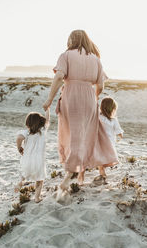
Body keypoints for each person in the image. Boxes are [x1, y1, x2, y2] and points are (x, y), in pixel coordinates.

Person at [43, 30, 118, 197]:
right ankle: (81, 173)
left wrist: (49, 99)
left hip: (71, 97)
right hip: (90, 98)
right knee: (88, 134)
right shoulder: (95, 59)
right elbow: (101, 85)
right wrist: (94, 98)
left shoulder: (66, 55)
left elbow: (59, 77)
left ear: (71, 39)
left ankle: (69, 175)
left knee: (73, 136)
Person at [15, 109, 50, 203]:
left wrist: (19, 147)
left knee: (23, 173)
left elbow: (19, 138)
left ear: (28, 123)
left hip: (27, 159)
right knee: (39, 180)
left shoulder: (26, 132)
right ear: (41, 122)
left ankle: (20, 183)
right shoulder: (43, 131)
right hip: (39, 161)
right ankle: (37, 198)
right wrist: (47, 109)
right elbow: (48, 120)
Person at [100, 97, 124, 163]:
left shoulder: (98, 116)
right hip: (109, 141)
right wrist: (121, 135)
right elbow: (118, 129)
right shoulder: (113, 119)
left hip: (99, 141)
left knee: (101, 155)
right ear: (113, 109)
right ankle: (101, 166)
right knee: (113, 160)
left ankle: (101, 168)